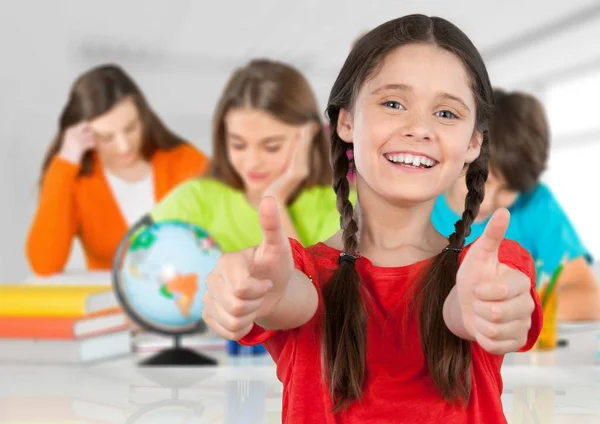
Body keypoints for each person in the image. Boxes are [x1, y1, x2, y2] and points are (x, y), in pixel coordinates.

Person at [200, 15, 542, 423]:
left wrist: (487, 309)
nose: (419, 128)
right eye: (393, 103)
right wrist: (259, 292)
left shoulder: (489, 268)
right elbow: (290, 298)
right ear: (346, 121)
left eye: (447, 113)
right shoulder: (300, 273)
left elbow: (469, 310)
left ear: (473, 143)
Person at [432, 89, 600, 321]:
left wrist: (516, 311)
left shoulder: (536, 203)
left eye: (509, 189)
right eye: (484, 180)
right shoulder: (420, 202)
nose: (487, 201)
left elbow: (589, 298)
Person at [26, 64, 209, 276]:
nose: (124, 146)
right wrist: (65, 162)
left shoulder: (186, 162)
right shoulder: (76, 180)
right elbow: (44, 264)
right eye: (106, 137)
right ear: (84, 134)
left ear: (144, 118)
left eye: (131, 128)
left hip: (183, 297)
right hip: (106, 303)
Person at [150, 58, 350, 251]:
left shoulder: (343, 208)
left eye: (271, 147)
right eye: (238, 145)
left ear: (309, 135)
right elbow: (131, 261)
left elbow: (308, 284)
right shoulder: (194, 199)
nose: (252, 163)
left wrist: (275, 203)